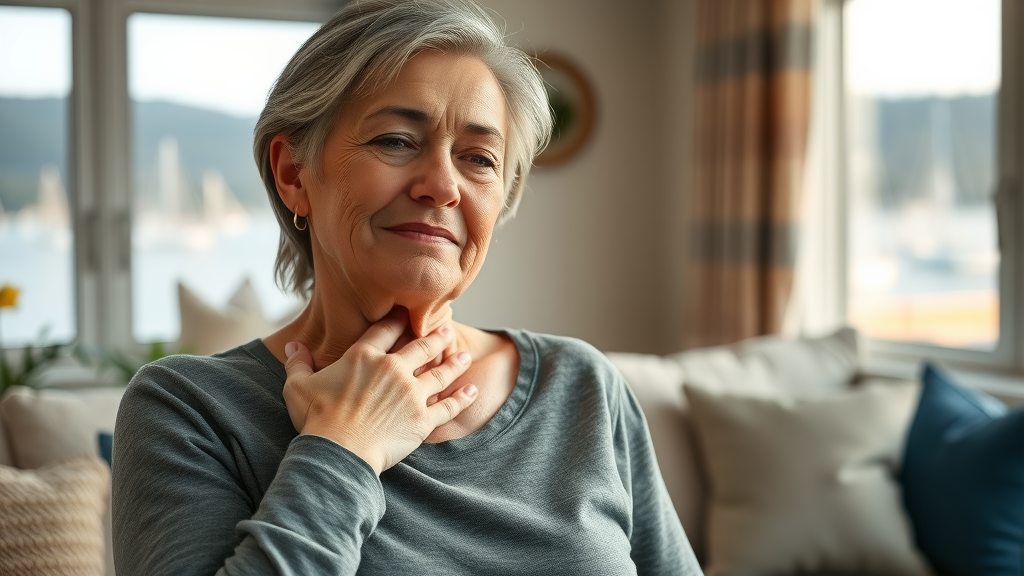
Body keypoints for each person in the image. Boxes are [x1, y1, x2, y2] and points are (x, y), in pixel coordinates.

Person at [111, 0, 703, 574]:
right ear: (293, 173)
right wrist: (345, 449)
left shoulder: (582, 387)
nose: (443, 185)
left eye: (479, 158)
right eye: (396, 140)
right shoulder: (188, 412)